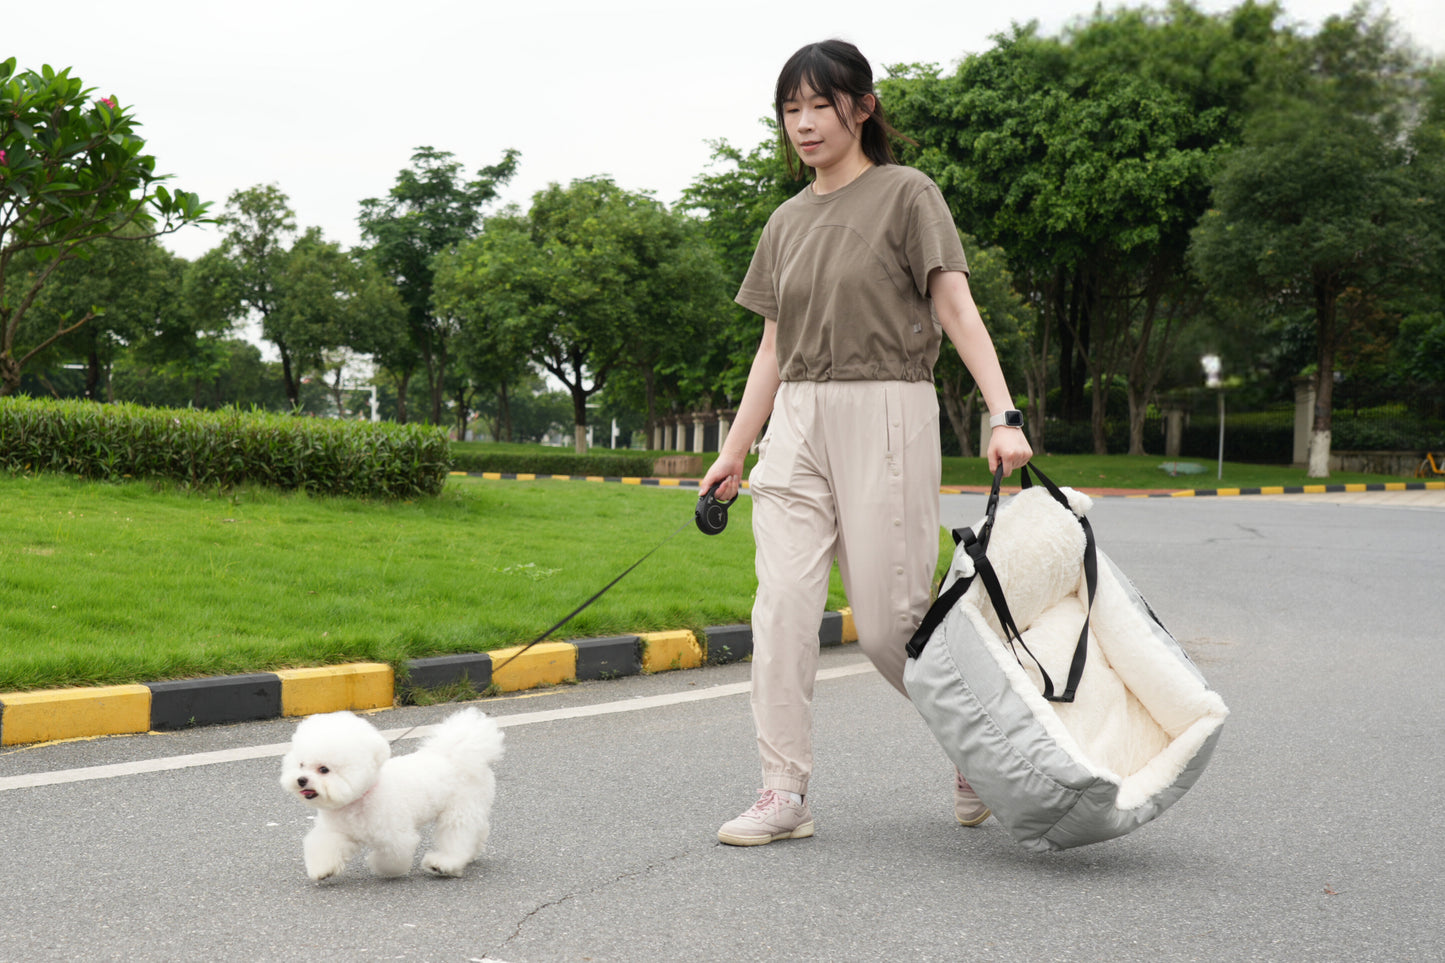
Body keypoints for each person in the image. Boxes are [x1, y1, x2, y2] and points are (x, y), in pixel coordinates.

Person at [698, 39, 1033, 847]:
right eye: (790, 109)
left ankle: (976, 747)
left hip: (888, 406)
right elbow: (773, 349)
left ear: (862, 107)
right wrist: (735, 449)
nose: (803, 124)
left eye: (819, 105)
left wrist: (1003, 412)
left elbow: (955, 308)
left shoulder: (906, 195)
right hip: (797, 422)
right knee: (779, 606)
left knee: (889, 623)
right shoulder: (784, 221)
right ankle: (784, 791)